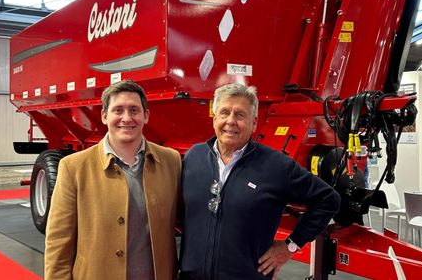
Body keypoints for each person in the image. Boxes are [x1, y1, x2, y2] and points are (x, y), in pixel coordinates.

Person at [179, 83, 340, 280]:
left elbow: (328, 199)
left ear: (254, 123)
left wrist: (291, 245)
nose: (231, 121)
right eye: (224, 113)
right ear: (214, 118)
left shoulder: (276, 166)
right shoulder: (193, 157)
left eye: (240, 115)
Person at [44, 80, 181, 280]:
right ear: (104, 116)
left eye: (134, 110)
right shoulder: (73, 167)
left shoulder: (171, 161)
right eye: (118, 110)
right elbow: (59, 241)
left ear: (146, 116)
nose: (127, 118)